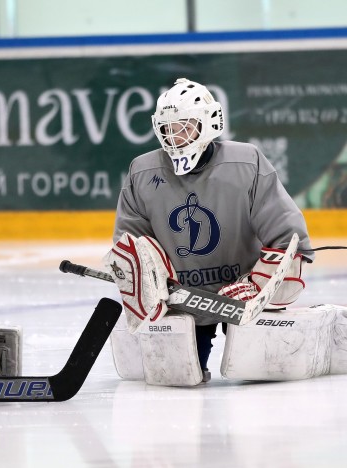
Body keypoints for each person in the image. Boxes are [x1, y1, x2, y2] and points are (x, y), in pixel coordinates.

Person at [109, 78, 314, 380]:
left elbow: (288, 236)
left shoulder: (246, 162)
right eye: (168, 128)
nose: (175, 136)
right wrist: (146, 283)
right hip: (182, 302)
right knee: (180, 378)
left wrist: (260, 285)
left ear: (208, 123)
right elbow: (131, 245)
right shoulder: (142, 173)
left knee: (260, 383)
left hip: (245, 297)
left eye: (185, 125)